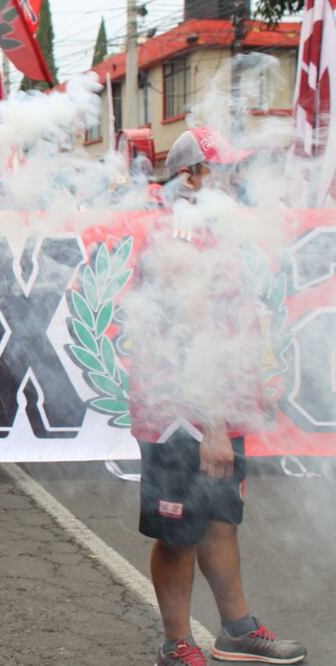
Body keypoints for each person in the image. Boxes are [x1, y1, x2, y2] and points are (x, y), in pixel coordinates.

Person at [128, 129, 306, 666]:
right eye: (222, 170)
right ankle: (177, 642)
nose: (236, 181)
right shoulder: (181, 230)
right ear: (191, 175)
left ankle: (237, 629)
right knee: (181, 528)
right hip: (180, 412)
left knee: (221, 520)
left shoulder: (213, 228)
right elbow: (191, 327)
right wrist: (210, 425)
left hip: (212, 406)